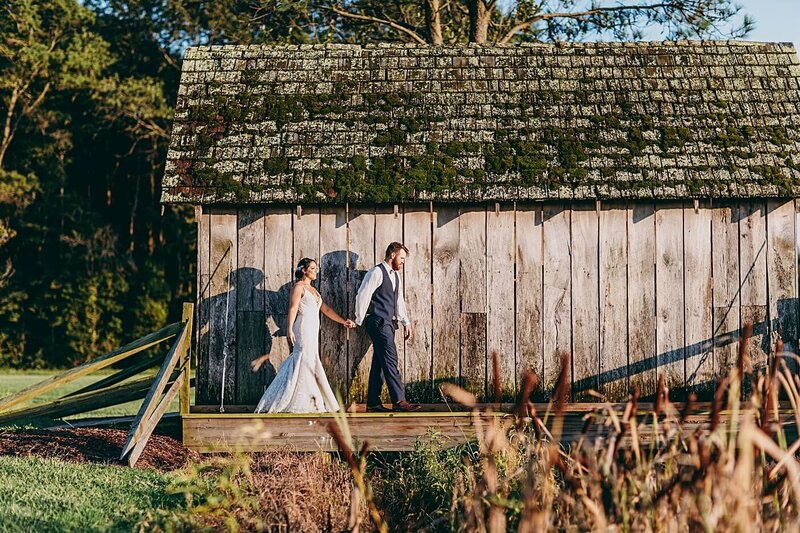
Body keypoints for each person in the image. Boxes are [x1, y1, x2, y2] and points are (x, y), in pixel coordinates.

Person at [255, 258, 355, 413]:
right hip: (302, 327)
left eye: (316, 268)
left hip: (313, 328)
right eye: (313, 268)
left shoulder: (313, 290)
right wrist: (289, 329)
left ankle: (312, 397)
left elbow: (325, 309)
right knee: (303, 358)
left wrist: (343, 322)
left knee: (311, 358)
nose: (316, 271)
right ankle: (300, 400)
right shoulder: (298, 287)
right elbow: (293, 308)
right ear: (304, 270)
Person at [354, 242, 421, 412]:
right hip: (377, 321)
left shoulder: (395, 276)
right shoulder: (376, 272)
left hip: (389, 323)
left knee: (380, 361)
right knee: (391, 359)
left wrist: (406, 322)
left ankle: (373, 403)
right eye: (402, 258)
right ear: (392, 255)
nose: (403, 262)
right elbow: (363, 294)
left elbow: (398, 300)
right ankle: (399, 401)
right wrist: (359, 319)